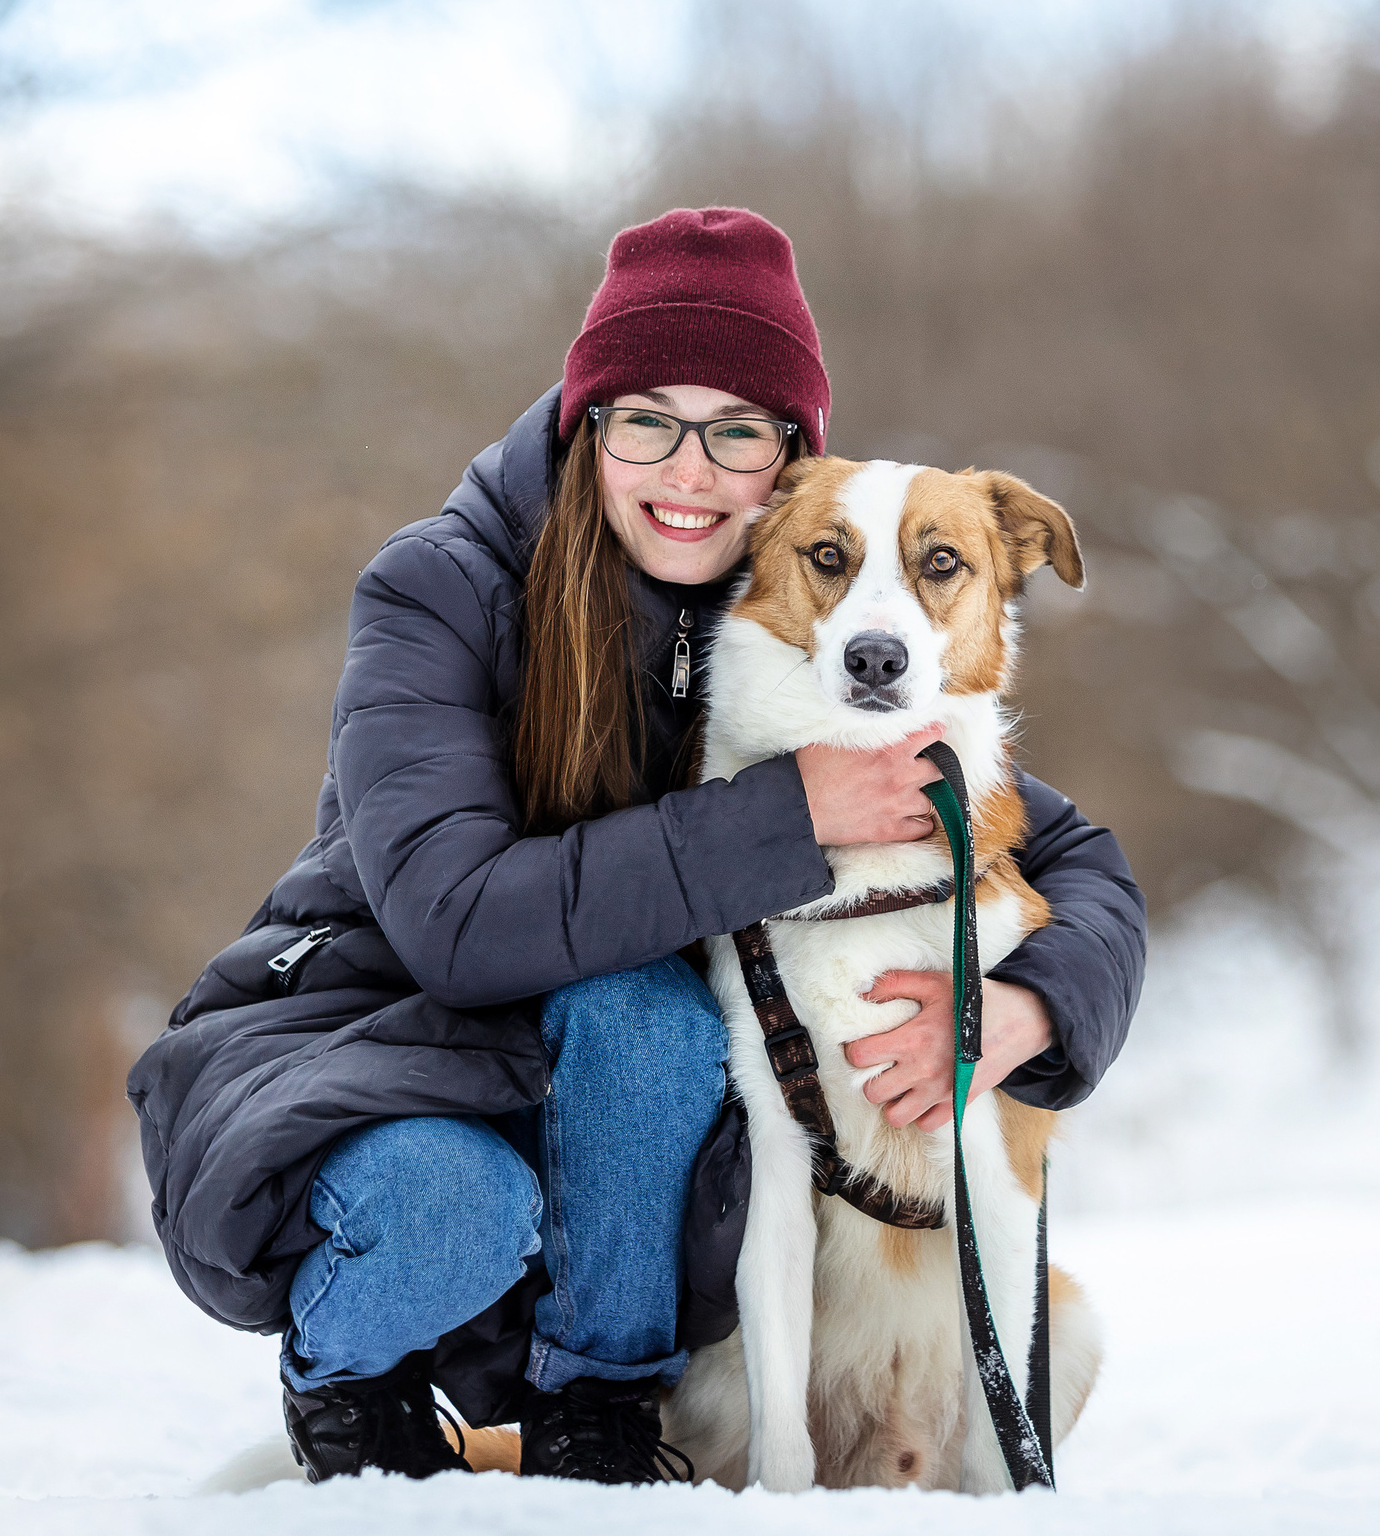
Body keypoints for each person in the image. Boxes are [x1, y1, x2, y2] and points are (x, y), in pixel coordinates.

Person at [127, 207, 1145, 1486]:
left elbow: (1065, 851)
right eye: (648, 418)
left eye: (736, 429)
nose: (689, 468)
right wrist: (791, 817)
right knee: (486, 1171)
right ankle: (351, 1389)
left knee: (650, 1016)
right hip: (388, 1048)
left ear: (787, 465)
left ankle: (597, 1414)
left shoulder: (794, 621)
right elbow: (456, 921)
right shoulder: (439, 591)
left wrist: (1031, 1010)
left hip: (622, 1113)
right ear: (586, 423)